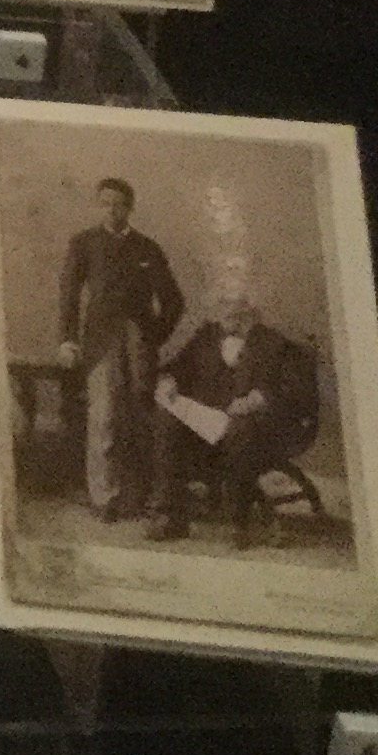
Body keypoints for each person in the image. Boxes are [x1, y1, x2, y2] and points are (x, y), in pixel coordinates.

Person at [149, 283, 321, 548]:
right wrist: (169, 380)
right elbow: (177, 367)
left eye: (234, 310)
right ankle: (169, 516)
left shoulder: (274, 344)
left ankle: (239, 521)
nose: (226, 316)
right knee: (167, 420)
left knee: (241, 430)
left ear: (250, 311)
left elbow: (297, 391)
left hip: (257, 426)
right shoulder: (206, 337)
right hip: (208, 423)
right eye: (222, 308)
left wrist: (258, 398)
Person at [55, 176, 184, 523]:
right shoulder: (84, 243)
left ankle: (138, 495)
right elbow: (69, 296)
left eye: (119, 204)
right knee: (104, 417)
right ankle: (105, 497)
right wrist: (67, 340)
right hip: (100, 344)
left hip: (139, 345)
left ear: (130, 208)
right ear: (99, 206)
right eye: (105, 203)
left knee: (140, 416)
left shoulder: (148, 248)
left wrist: (153, 336)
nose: (112, 210)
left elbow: (173, 301)